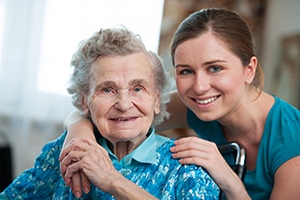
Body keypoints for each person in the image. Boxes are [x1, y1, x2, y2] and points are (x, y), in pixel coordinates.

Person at [61, 8, 300, 200]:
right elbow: (109, 111)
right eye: (186, 71)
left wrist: (230, 183)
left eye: (215, 68)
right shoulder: (195, 104)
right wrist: (79, 138)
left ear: (249, 70)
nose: (199, 86)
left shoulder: (291, 139)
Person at [0, 27, 220, 199]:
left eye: (138, 89)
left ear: (157, 100)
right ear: (84, 101)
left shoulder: (187, 166)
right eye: (108, 89)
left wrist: (113, 180)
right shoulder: (66, 150)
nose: (124, 104)